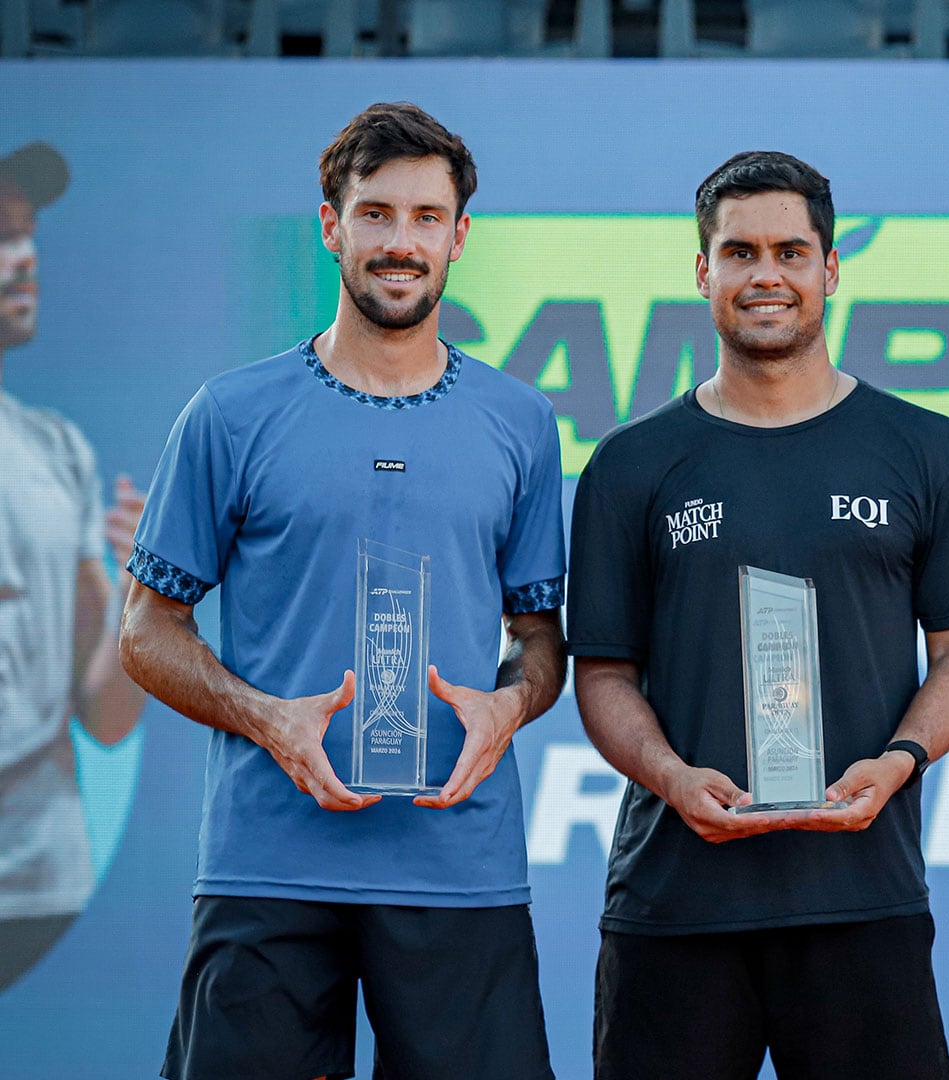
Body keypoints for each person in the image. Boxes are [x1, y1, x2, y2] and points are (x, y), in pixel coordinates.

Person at [118, 103, 566, 1080]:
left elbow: (541, 640)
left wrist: (512, 703)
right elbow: (147, 631)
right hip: (268, 866)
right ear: (331, 225)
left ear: (459, 234)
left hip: (459, 867)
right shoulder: (229, 415)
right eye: (375, 215)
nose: (400, 243)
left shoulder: (521, 423)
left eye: (424, 218)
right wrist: (266, 718)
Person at [569, 150, 949, 1080]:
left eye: (792, 252)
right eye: (740, 252)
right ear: (703, 271)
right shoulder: (630, 466)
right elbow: (601, 673)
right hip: (674, 905)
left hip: (862, 898)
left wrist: (898, 762)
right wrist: (672, 774)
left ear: (830, 270)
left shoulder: (928, 450)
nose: (767, 274)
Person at [0, 139, 147, 991]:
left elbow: (105, 716)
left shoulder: (56, 450)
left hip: (43, 886)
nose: (24, 260)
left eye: (26, 235)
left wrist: (138, 590)